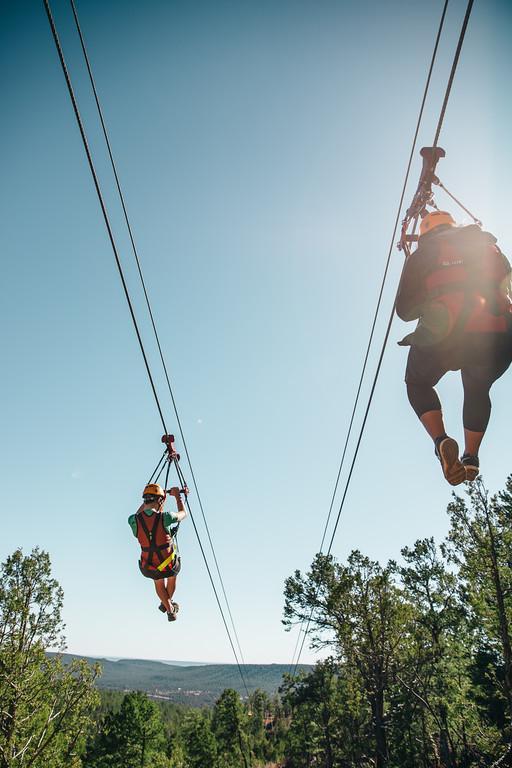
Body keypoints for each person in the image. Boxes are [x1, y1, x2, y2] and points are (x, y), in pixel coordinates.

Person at [396, 210, 512, 485]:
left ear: (425, 234)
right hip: (497, 333)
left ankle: (441, 441)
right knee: (477, 386)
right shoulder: (487, 245)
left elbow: (404, 311)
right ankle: (471, 457)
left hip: (444, 333)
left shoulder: (421, 256)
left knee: (417, 383)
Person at [128, 483, 187, 621]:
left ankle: (168, 606)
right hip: (169, 565)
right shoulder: (166, 517)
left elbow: (140, 515)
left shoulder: (133, 520)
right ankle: (169, 606)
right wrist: (178, 497)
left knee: (158, 581)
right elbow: (183, 514)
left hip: (148, 566)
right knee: (171, 577)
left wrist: (160, 499)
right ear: (159, 501)